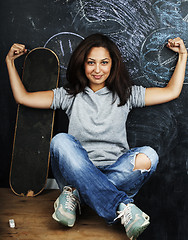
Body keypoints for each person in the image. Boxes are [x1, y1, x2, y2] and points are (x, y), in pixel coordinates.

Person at [6, 34, 187, 239]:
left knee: (149, 156)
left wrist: (183, 55)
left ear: (113, 65)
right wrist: (10, 62)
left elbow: (171, 92)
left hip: (115, 170)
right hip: (75, 172)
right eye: (91, 62)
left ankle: (79, 197)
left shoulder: (126, 94)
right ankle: (122, 206)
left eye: (104, 63)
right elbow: (23, 98)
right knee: (60, 141)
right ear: (82, 64)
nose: (97, 69)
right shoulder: (69, 95)